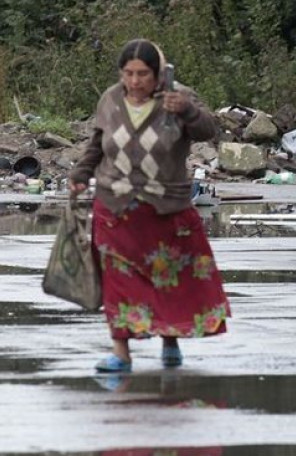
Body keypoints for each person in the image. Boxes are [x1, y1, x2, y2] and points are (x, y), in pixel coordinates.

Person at [70, 38, 230, 372]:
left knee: (167, 278)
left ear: (157, 74)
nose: (135, 81)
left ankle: (169, 339)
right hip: (115, 205)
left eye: (143, 73)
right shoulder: (110, 100)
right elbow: (98, 143)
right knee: (117, 280)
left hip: (164, 207)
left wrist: (186, 110)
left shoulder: (176, 100)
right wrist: (82, 173)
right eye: (128, 73)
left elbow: (206, 130)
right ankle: (121, 352)